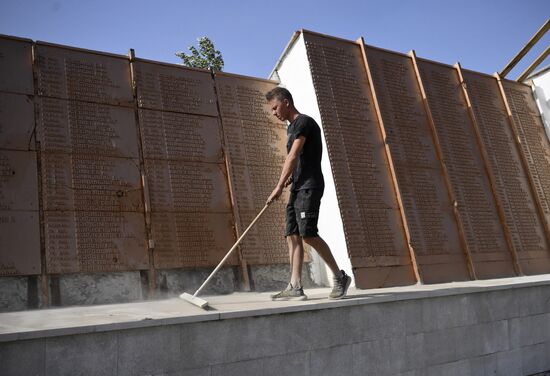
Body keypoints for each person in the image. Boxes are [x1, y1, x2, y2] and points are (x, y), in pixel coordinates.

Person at [265, 87, 351, 301]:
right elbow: (299, 160)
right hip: (298, 186)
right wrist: (291, 179)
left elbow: (293, 156)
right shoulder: (291, 128)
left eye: (275, 108)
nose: (274, 113)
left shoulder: (304, 122)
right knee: (292, 234)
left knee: (308, 234)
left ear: (286, 102)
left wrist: (278, 185)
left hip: (309, 187)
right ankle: (295, 286)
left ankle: (340, 277)